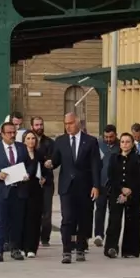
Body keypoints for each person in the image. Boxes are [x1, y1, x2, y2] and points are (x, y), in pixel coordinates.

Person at [42, 112, 100, 264]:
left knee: (84, 218)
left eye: (71, 123)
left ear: (78, 123)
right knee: (67, 218)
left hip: (85, 186)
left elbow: (95, 165)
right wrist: (50, 163)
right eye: (66, 124)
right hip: (67, 186)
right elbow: (56, 160)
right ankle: (66, 250)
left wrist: (96, 185)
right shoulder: (60, 141)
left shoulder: (90, 141)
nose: (68, 126)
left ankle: (80, 248)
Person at [0, 121, 31, 261]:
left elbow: (29, 165)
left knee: (17, 221)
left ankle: (15, 248)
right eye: (9, 133)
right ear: (2, 134)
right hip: (0, 190)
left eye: (14, 133)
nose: (12, 135)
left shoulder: (22, 148)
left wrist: (28, 174)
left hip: (18, 190)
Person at [103, 131, 140, 259]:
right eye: (123, 142)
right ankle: (111, 247)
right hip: (116, 193)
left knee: (132, 221)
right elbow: (111, 176)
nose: (125, 144)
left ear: (132, 144)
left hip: (132, 194)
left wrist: (129, 190)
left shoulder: (137, 158)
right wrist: (121, 189)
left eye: (128, 142)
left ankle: (130, 250)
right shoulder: (114, 158)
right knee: (114, 221)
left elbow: (138, 177)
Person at [29, 116, 55, 247]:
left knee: (47, 212)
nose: (39, 127)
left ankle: (45, 238)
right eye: (36, 125)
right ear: (32, 126)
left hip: (47, 182)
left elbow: (52, 160)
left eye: (41, 124)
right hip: (32, 182)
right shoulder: (27, 143)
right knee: (33, 211)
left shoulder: (49, 142)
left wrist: (45, 176)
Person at [20, 130, 47, 258]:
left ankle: (32, 247)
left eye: (33, 138)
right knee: (22, 218)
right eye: (28, 138)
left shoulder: (40, 154)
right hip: (22, 189)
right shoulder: (20, 154)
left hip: (36, 189)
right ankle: (21, 246)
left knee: (35, 218)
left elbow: (46, 170)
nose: (31, 141)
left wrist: (45, 177)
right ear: (24, 140)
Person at [93, 124, 118, 247]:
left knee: (113, 211)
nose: (108, 139)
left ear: (116, 135)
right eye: (106, 137)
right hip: (101, 183)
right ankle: (98, 234)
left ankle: (111, 235)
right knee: (100, 209)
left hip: (115, 184)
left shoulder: (120, 145)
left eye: (111, 137)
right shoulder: (98, 144)